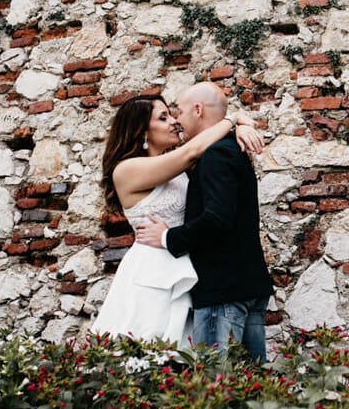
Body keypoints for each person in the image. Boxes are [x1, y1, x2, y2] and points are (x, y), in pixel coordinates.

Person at [89, 93, 261, 345]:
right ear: (142, 131)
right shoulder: (126, 170)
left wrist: (244, 127)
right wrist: (234, 119)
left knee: (186, 357)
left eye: (172, 114)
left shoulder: (176, 167)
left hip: (183, 264)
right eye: (163, 117)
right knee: (148, 350)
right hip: (152, 272)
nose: (174, 122)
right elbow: (192, 151)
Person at [135, 82, 275, 362]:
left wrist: (167, 237)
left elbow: (216, 220)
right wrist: (237, 122)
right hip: (246, 284)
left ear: (198, 110)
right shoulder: (230, 149)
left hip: (222, 289)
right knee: (251, 387)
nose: (177, 121)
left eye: (179, 112)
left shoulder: (215, 155)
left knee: (216, 388)